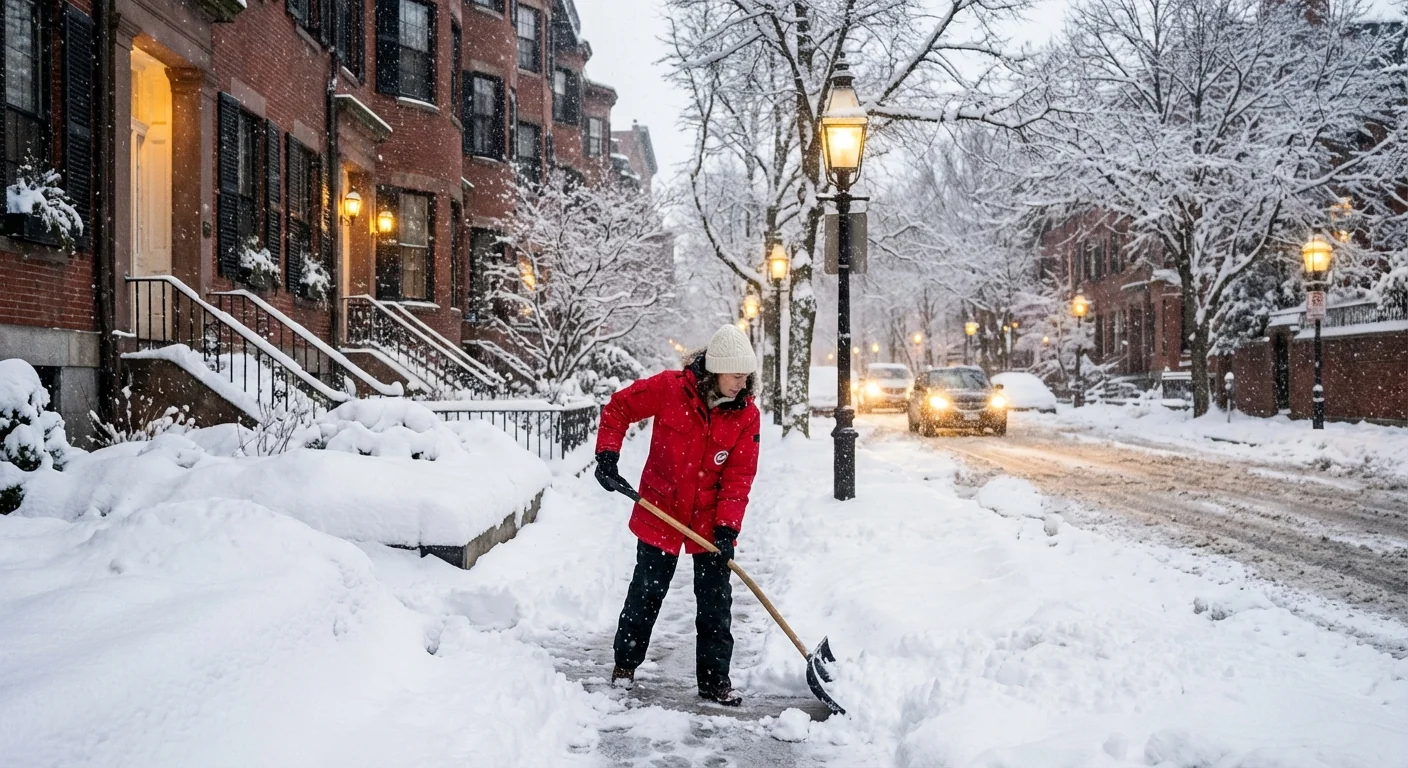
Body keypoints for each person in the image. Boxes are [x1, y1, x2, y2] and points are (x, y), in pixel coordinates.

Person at [593, 324, 762, 706]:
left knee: (716, 602)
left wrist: (726, 528)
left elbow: (739, 477)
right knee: (646, 594)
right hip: (661, 509)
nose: (741, 383)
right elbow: (619, 406)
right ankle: (625, 665)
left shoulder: (745, 415)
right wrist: (607, 454)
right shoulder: (671, 389)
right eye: (735, 375)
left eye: (745, 376)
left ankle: (715, 682)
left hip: (710, 520)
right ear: (716, 369)